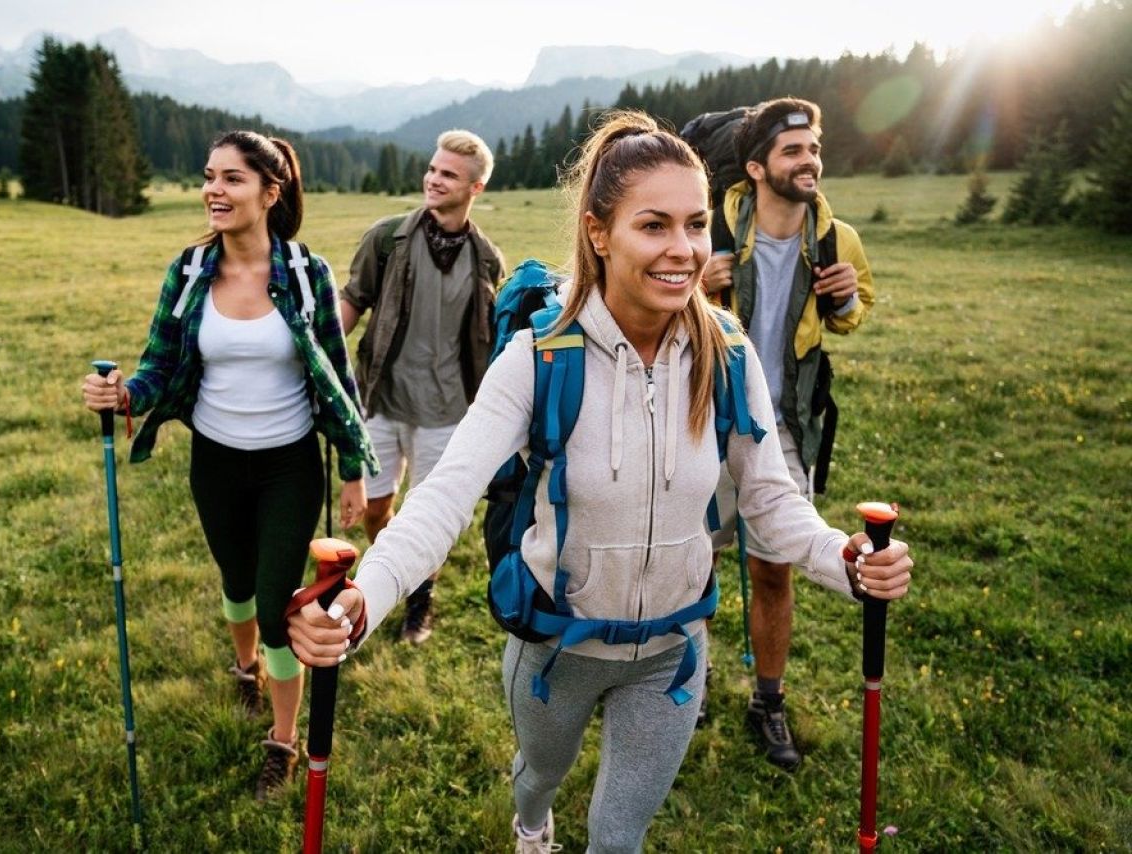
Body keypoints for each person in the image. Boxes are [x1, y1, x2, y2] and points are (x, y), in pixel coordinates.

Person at [288, 111, 912, 853]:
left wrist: (846, 558)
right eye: (654, 226)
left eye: (696, 224)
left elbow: (772, 503)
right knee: (538, 777)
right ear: (598, 233)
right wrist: (364, 600)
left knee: (618, 837)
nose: (683, 250)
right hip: (557, 651)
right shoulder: (537, 358)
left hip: (672, 654)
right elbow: (443, 499)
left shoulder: (730, 355)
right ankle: (531, 826)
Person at [80, 130, 377, 801]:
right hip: (214, 460)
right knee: (236, 583)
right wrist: (124, 395)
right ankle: (245, 667)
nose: (214, 189)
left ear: (271, 193)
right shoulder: (188, 272)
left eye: (232, 179)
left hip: (289, 466)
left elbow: (337, 376)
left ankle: (282, 740)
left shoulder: (306, 274)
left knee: (276, 605)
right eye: (209, 176)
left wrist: (353, 467)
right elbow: (159, 364)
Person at [700, 97, 875, 771]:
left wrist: (844, 298)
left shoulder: (836, 238)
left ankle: (767, 702)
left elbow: (849, 317)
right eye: (793, 152)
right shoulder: (710, 229)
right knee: (694, 564)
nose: (809, 163)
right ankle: (692, 679)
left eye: (813, 150)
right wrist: (699, 283)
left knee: (775, 570)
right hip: (706, 421)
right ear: (756, 166)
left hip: (785, 430)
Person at [339, 129, 506, 644]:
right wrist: (317, 349)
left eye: (448, 174)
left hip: (448, 410)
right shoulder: (386, 239)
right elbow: (352, 298)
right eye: (432, 169)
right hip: (383, 400)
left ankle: (418, 599)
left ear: (474, 188)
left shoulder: (486, 259)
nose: (434, 180)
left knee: (428, 517)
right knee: (376, 506)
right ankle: (390, 572)